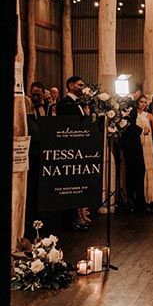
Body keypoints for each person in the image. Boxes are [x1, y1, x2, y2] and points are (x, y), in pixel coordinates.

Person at [55, 75, 91, 228]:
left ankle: (82, 212)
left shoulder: (80, 103)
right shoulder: (65, 103)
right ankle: (74, 216)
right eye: (79, 85)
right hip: (70, 146)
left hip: (81, 145)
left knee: (81, 181)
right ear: (70, 86)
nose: (82, 87)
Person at [134, 93, 153, 212]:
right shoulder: (132, 115)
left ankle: (150, 198)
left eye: (145, 102)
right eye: (141, 102)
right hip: (137, 144)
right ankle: (139, 199)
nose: (143, 104)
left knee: (149, 168)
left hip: (148, 144)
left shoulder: (149, 115)